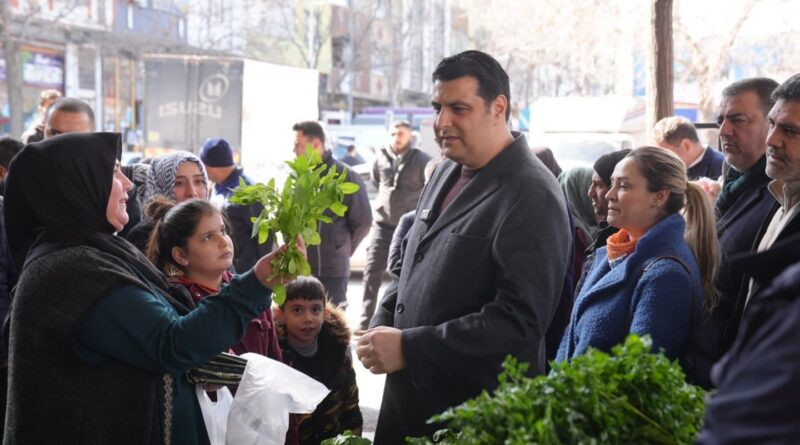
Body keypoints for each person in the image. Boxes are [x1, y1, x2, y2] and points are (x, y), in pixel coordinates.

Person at [2, 132, 303, 443]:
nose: (129, 184)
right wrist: (256, 284)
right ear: (77, 187)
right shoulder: (73, 271)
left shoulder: (99, 253)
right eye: (114, 172)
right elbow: (171, 343)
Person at [357, 50, 571, 442]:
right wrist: (381, 324)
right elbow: (410, 264)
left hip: (471, 420)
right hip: (408, 407)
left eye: (458, 108)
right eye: (437, 107)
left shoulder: (533, 193)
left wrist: (411, 347)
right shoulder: (446, 170)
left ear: (498, 107)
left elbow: (519, 320)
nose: (442, 122)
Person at [696, 72, 800, 444]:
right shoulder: (781, 198)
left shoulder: (773, 197)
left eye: (791, 131)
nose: (773, 140)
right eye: (773, 124)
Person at [557, 147, 719, 382]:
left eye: (623, 186)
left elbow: (639, 379)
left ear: (659, 197)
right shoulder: (609, 254)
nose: (609, 194)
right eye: (612, 183)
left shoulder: (665, 275)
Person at [696, 77, 779, 387]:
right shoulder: (732, 187)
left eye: (737, 120)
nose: (723, 132)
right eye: (721, 120)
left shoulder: (778, 197)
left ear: (772, 124)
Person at [359, 120, 431, 330]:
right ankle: (366, 323)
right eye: (393, 133)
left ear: (410, 136)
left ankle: (395, 324)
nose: (396, 137)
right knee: (372, 271)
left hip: (408, 227)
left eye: (401, 134)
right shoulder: (380, 157)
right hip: (383, 224)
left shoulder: (421, 160)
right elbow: (375, 180)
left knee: (401, 274)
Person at [292, 121, 372, 307]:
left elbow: (364, 222)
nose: (294, 150)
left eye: (298, 144)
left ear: (316, 145)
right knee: (303, 327)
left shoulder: (345, 176)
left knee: (332, 326)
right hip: (302, 268)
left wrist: (340, 248)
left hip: (332, 270)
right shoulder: (298, 178)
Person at [274, 276, 362, 444]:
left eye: (315, 309)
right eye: (297, 310)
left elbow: (351, 409)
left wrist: (351, 440)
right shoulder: (276, 357)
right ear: (281, 314)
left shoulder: (337, 351)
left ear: (325, 313)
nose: (308, 318)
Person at [199, 137, 272, 272]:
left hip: (245, 274)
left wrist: (261, 274)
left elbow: (265, 235)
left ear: (213, 168)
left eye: (203, 166)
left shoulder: (248, 192)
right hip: (226, 271)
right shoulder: (217, 187)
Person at [126, 150, 209, 253]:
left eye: (198, 181)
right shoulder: (144, 236)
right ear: (161, 187)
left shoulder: (213, 226)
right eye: (179, 183)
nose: (192, 192)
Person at [586, 149, 631, 255]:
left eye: (599, 185)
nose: (590, 193)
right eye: (591, 184)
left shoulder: (626, 244)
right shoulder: (606, 230)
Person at [653, 116, 725, 180]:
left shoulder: (722, 167)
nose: (663, 161)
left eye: (666, 155)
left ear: (686, 145)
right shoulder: (673, 170)